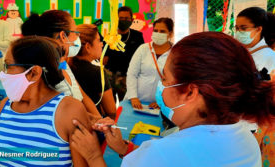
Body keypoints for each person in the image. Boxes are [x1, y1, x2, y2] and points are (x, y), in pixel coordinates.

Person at [70, 32, 275, 167]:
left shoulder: (160, 155)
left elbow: (165, 158)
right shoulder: (246, 141)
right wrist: (125, 149)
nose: (162, 87)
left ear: (190, 92)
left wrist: (93, 156)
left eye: (165, 79)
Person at [0, 36, 91, 166]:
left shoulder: (68, 111)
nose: (3, 73)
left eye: (8, 66)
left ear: (34, 73)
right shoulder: (5, 105)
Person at [22, 10, 102, 121]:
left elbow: (81, 94)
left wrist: (98, 119)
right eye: (75, 33)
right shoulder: (44, 73)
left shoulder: (62, 62)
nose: (78, 38)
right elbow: (61, 117)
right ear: (63, 36)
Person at [124, 18, 174, 110]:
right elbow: (132, 74)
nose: (158, 33)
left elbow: (176, 82)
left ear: (170, 34)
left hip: (160, 105)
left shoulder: (176, 53)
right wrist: (133, 97)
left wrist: (163, 101)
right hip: (135, 101)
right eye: (155, 31)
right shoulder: (143, 49)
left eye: (162, 31)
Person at [69, 24, 116, 119]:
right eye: (99, 40)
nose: (102, 44)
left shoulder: (66, 67)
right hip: (92, 123)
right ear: (88, 47)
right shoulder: (96, 73)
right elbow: (111, 111)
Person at [104, 6, 144, 100]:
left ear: (132, 19)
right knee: (109, 108)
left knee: (126, 106)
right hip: (110, 77)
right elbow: (104, 59)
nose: (123, 21)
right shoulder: (110, 36)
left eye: (126, 18)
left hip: (128, 78)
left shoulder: (137, 36)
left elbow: (142, 57)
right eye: (120, 18)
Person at [235, 7, 275, 75]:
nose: (239, 32)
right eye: (237, 28)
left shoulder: (270, 57)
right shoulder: (235, 49)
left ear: (258, 29)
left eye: (243, 28)